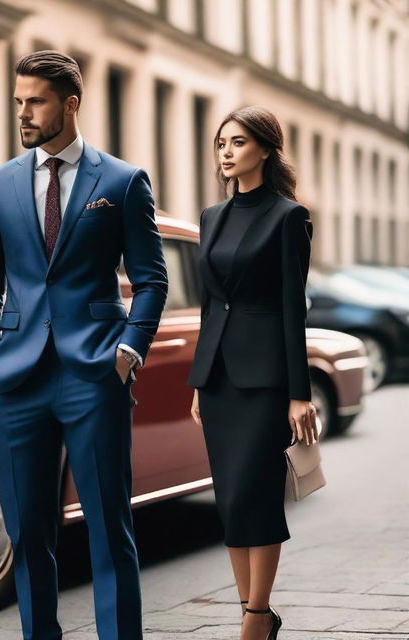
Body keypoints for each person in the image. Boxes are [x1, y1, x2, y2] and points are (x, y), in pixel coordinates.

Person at [0, 50, 168, 640]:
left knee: (110, 529)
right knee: (28, 533)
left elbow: (153, 280)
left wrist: (129, 351)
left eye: (36, 102)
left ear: (70, 103)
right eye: (18, 102)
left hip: (95, 374)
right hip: (17, 379)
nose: (23, 113)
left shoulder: (123, 181)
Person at [188, 105, 317, 640]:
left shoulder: (288, 217)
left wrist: (298, 394)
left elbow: (294, 307)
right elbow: (208, 304)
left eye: (238, 142)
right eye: (221, 142)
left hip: (265, 381)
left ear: (264, 149)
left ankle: (255, 617)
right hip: (218, 379)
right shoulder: (211, 218)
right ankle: (253, 609)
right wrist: (199, 380)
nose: (226, 151)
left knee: (258, 494)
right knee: (230, 498)